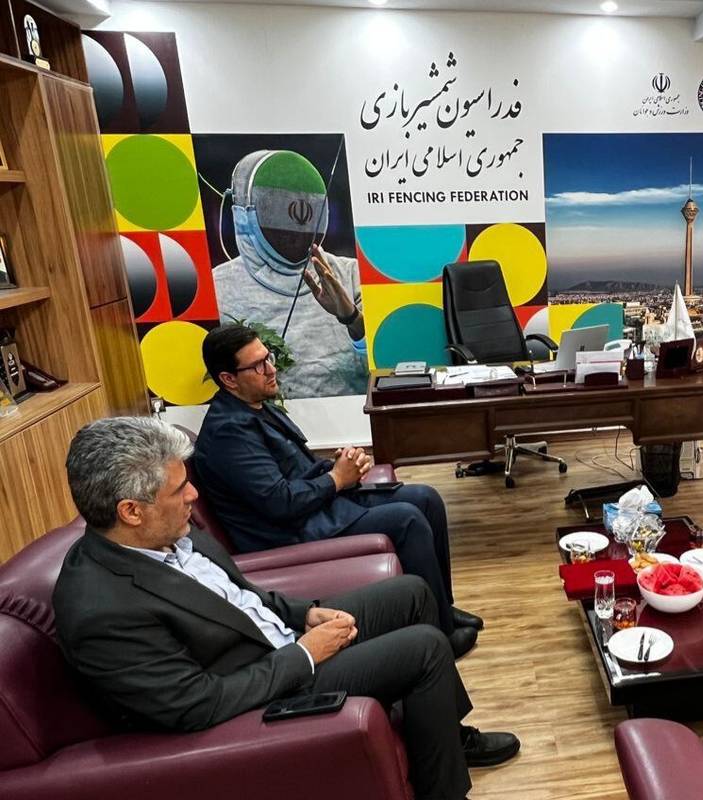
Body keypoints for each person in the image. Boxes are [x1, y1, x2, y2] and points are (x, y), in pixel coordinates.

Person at [53, 417, 519, 800]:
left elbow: (239, 595)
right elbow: (197, 705)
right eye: (179, 489)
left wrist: (304, 614)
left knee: (411, 593)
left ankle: (446, 736)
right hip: (262, 693)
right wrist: (306, 653)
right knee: (425, 649)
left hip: (282, 641)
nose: (193, 496)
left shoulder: (162, 533)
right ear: (131, 510)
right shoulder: (101, 610)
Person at [193, 323, 481, 658]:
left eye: (268, 358)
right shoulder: (228, 432)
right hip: (287, 531)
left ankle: (442, 605)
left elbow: (295, 470)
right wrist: (336, 479)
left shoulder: (254, 406)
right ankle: (440, 632)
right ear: (228, 379)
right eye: (258, 365)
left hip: (311, 510)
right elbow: (280, 502)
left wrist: (343, 465)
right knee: (406, 519)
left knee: (426, 498)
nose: (271, 369)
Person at [211, 149, 366, 399]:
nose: (294, 234)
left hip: (354, 419)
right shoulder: (217, 289)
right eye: (274, 213)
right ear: (243, 215)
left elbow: (389, 365)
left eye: (307, 214)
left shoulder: (350, 274)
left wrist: (350, 317)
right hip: (262, 423)